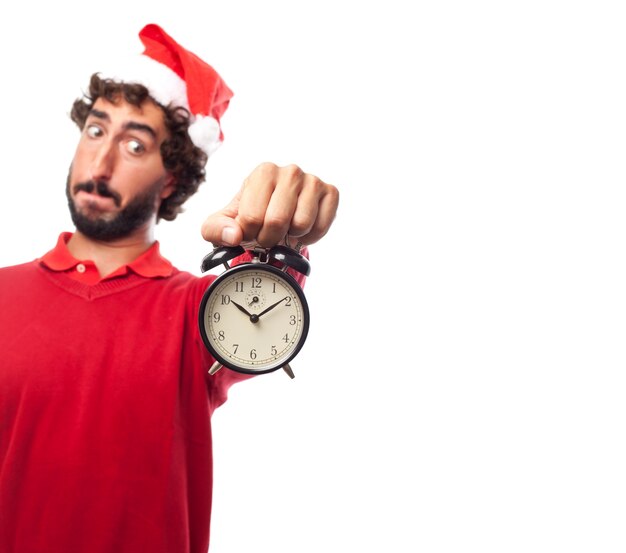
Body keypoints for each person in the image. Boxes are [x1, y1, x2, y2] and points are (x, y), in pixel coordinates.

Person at [0, 23, 339, 553]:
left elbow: (259, 307)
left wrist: (277, 236)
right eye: (96, 130)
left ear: (173, 178)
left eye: (135, 144)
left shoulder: (195, 313)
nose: (101, 162)